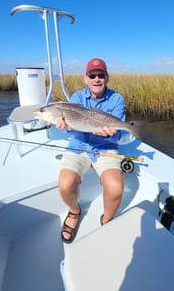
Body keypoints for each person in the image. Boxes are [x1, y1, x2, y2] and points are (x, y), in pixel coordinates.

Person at [56, 58, 126, 243]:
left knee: (116, 187)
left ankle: (107, 220)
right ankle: (74, 211)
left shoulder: (117, 99)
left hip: (105, 148)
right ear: (85, 78)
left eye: (100, 75)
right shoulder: (77, 98)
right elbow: (73, 125)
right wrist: (67, 126)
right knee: (65, 184)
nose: (96, 79)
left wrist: (109, 135)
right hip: (79, 146)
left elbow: (117, 136)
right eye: (92, 75)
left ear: (107, 77)